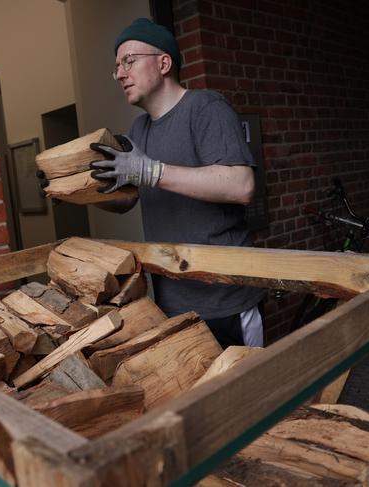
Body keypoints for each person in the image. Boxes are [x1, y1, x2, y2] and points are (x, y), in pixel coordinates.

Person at [87, 18, 266, 348]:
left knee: (248, 397)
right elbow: (128, 199)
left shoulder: (206, 107)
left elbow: (241, 185)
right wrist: (75, 192)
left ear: (164, 62)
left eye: (129, 61)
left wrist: (151, 171)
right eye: (117, 68)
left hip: (226, 299)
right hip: (172, 302)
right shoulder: (139, 129)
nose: (121, 74)